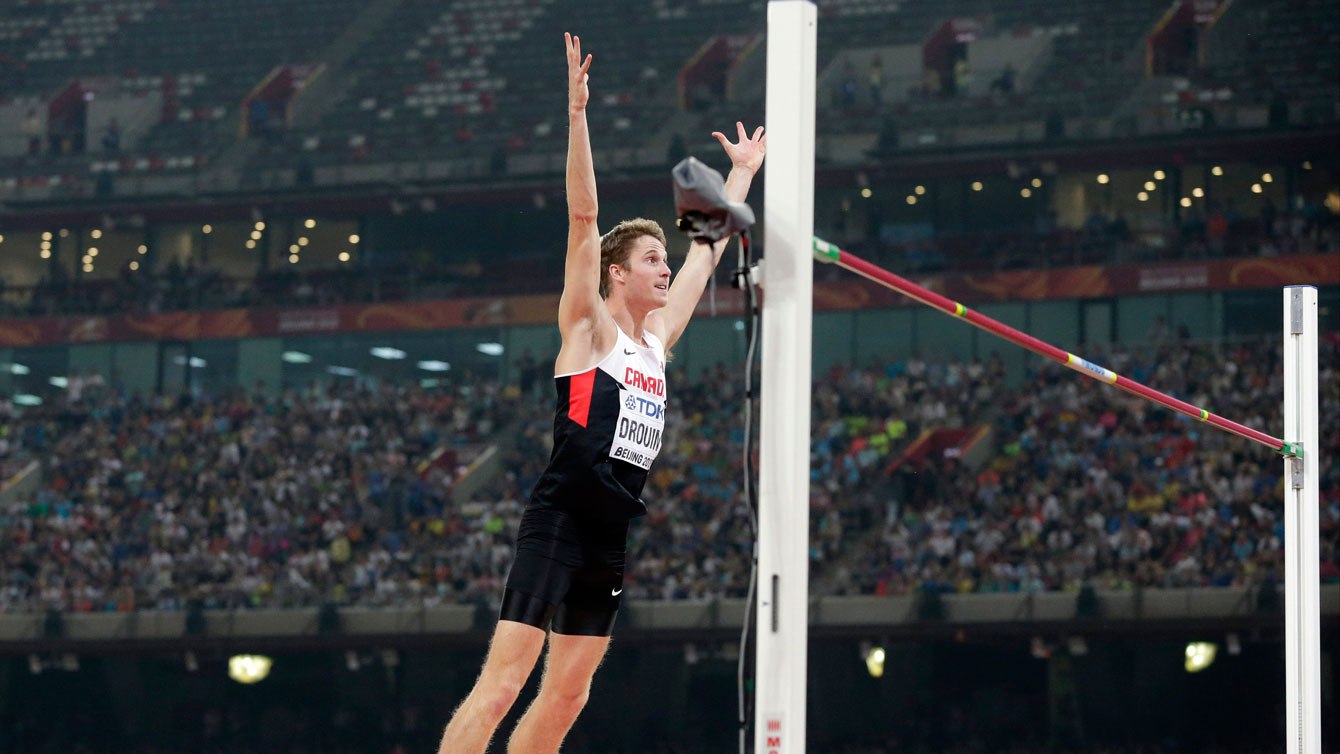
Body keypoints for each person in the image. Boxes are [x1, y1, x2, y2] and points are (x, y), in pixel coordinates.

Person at [436, 32, 765, 754]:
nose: (661, 269)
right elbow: (584, 218)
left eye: (661, 259)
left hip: (609, 534)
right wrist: (577, 113)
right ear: (616, 274)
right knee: (501, 686)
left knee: (569, 694)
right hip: (558, 521)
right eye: (651, 259)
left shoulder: (658, 339)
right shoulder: (588, 330)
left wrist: (739, 178)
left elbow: (706, 250)